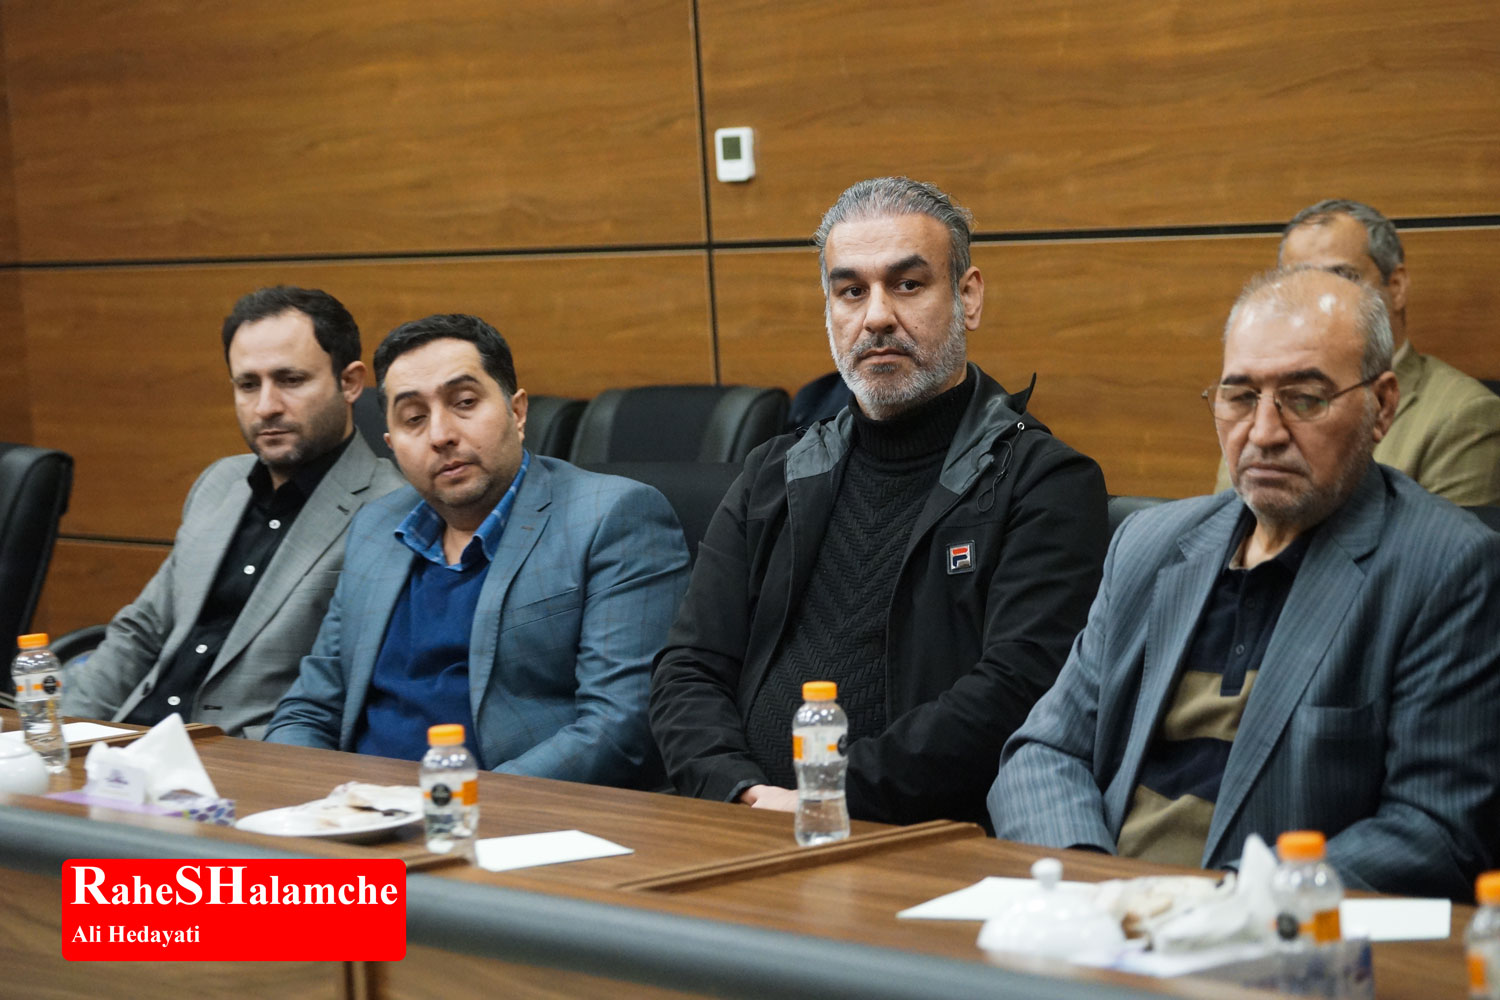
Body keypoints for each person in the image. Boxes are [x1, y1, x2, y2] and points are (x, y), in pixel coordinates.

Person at [992, 267, 1500, 900]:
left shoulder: (1446, 568)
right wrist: (1093, 884)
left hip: (1271, 934)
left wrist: (1222, 909)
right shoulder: (1148, 546)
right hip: (1102, 916)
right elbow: (1042, 754)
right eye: (1239, 397)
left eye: (1304, 399)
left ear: (1383, 406)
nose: (1263, 433)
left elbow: (1435, 831)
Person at [650, 177, 1110, 827]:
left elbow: (1013, 694)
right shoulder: (774, 473)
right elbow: (688, 668)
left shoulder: (1044, 482)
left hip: (918, 839)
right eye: (851, 291)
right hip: (743, 823)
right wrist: (739, 791)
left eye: (908, 284)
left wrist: (825, 798)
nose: (876, 317)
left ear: (968, 297)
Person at [264, 314, 689, 786]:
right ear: (391, 445)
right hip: (358, 810)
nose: (440, 434)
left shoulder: (612, 517)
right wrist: (305, 798)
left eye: (464, 403)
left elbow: (618, 728)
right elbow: (308, 710)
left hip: (509, 811)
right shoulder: (374, 528)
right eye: (414, 418)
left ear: (517, 411)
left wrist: (451, 803)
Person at [63, 286, 406, 738]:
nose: (266, 407)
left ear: (350, 383)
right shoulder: (219, 483)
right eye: (248, 385)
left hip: (242, 758)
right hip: (128, 743)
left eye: (290, 380)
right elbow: (142, 631)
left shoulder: (393, 509)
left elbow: (350, 694)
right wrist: (61, 736)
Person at [1214, 198, 1500, 505]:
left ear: (1397, 286)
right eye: (1297, 281)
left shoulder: (1464, 414)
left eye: (1341, 276)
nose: (1317, 299)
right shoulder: (1252, 403)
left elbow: (1446, 536)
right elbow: (1230, 522)